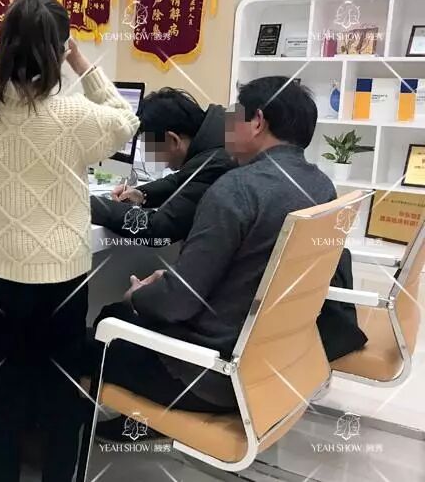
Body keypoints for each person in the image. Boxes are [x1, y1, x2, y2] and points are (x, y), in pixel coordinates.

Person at [87, 76, 367, 430]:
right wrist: (174, 280)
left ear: (257, 122)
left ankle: (95, 434)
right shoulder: (321, 186)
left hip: (209, 376)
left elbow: (177, 303)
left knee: (100, 326)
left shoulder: (235, 190)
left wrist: (140, 296)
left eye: (234, 117)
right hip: (274, 366)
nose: (225, 127)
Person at [0, 0, 139, 482]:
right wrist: (80, 62)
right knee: (60, 393)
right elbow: (126, 117)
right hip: (61, 278)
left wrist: (0, 55)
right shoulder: (74, 117)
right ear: (59, 50)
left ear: (4, 46)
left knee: (1, 395)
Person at [91, 87, 236, 244]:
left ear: (173, 140)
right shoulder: (216, 139)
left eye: (151, 146)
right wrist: (142, 194)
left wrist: (92, 205)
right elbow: (181, 180)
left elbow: (158, 228)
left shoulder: (216, 162)